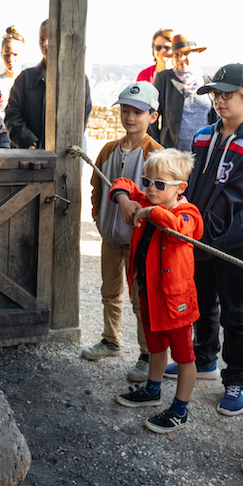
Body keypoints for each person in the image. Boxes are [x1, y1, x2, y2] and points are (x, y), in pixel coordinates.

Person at [165, 63, 243, 417]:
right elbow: (191, 186)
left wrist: (198, 230)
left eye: (228, 94)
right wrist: (184, 220)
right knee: (202, 302)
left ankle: (238, 377)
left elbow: (235, 195)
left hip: (230, 240)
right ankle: (206, 357)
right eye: (216, 94)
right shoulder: (202, 136)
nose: (220, 101)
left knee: (235, 311)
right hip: (196, 235)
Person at [109, 149, 204, 433]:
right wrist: (126, 200)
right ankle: (152, 390)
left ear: (180, 187)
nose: (150, 189)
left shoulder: (187, 212)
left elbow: (182, 228)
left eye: (159, 184)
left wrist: (151, 211)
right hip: (148, 296)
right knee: (155, 347)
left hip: (176, 303)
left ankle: (180, 409)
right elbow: (121, 183)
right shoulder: (144, 198)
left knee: (184, 356)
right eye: (148, 181)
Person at [83, 82, 163, 376]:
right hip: (110, 238)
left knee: (141, 297)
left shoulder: (156, 154)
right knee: (110, 290)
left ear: (152, 117)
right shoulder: (108, 150)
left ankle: (147, 353)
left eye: (138, 113)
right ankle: (110, 339)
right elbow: (95, 187)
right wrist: (99, 218)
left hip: (140, 241)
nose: (130, 117)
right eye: (126, 111)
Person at [5, 19, 92, 149]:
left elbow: (81, 116)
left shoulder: (78, 80)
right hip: (29, 156)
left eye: (50, 38)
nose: (45, 44)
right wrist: (30, 144)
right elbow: (12, 116)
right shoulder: (25, 79)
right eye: (41, 39)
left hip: (66, 153)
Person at [147, 33, 215, 150]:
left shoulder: (208, 81)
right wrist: (157, 145)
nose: (181, 58)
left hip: (205, 152)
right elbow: (151, 115)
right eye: (176, 55)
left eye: (186, 53)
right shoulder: (164, 79)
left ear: (196, 53)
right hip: (173, 154)